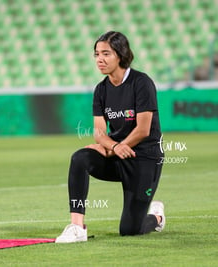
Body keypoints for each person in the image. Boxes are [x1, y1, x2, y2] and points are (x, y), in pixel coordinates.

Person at [55, 31, 165, 243]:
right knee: (80, 158)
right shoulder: (101, 90)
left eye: (106, 53)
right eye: (96, 54)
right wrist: (112, 147)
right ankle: (77, 227)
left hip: (144, 158)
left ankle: (156, 217)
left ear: (121, 55)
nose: (99, 59)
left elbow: (143, 130)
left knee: (130, 230)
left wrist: (113, 146)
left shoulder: (141, 83)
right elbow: (98, 132)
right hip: (118, 154)